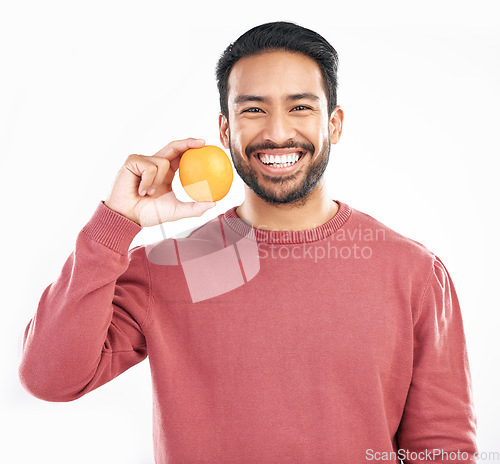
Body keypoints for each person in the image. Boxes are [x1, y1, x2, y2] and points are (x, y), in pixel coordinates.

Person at [19, 21, 478, 463]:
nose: (278, 132)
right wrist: (117, 222)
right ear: (225, 130)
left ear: (334, 124)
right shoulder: (173, 266)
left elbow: (443, 450)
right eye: (253, 109)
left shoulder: (414, 273)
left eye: (300, 107)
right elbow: (50, 378)